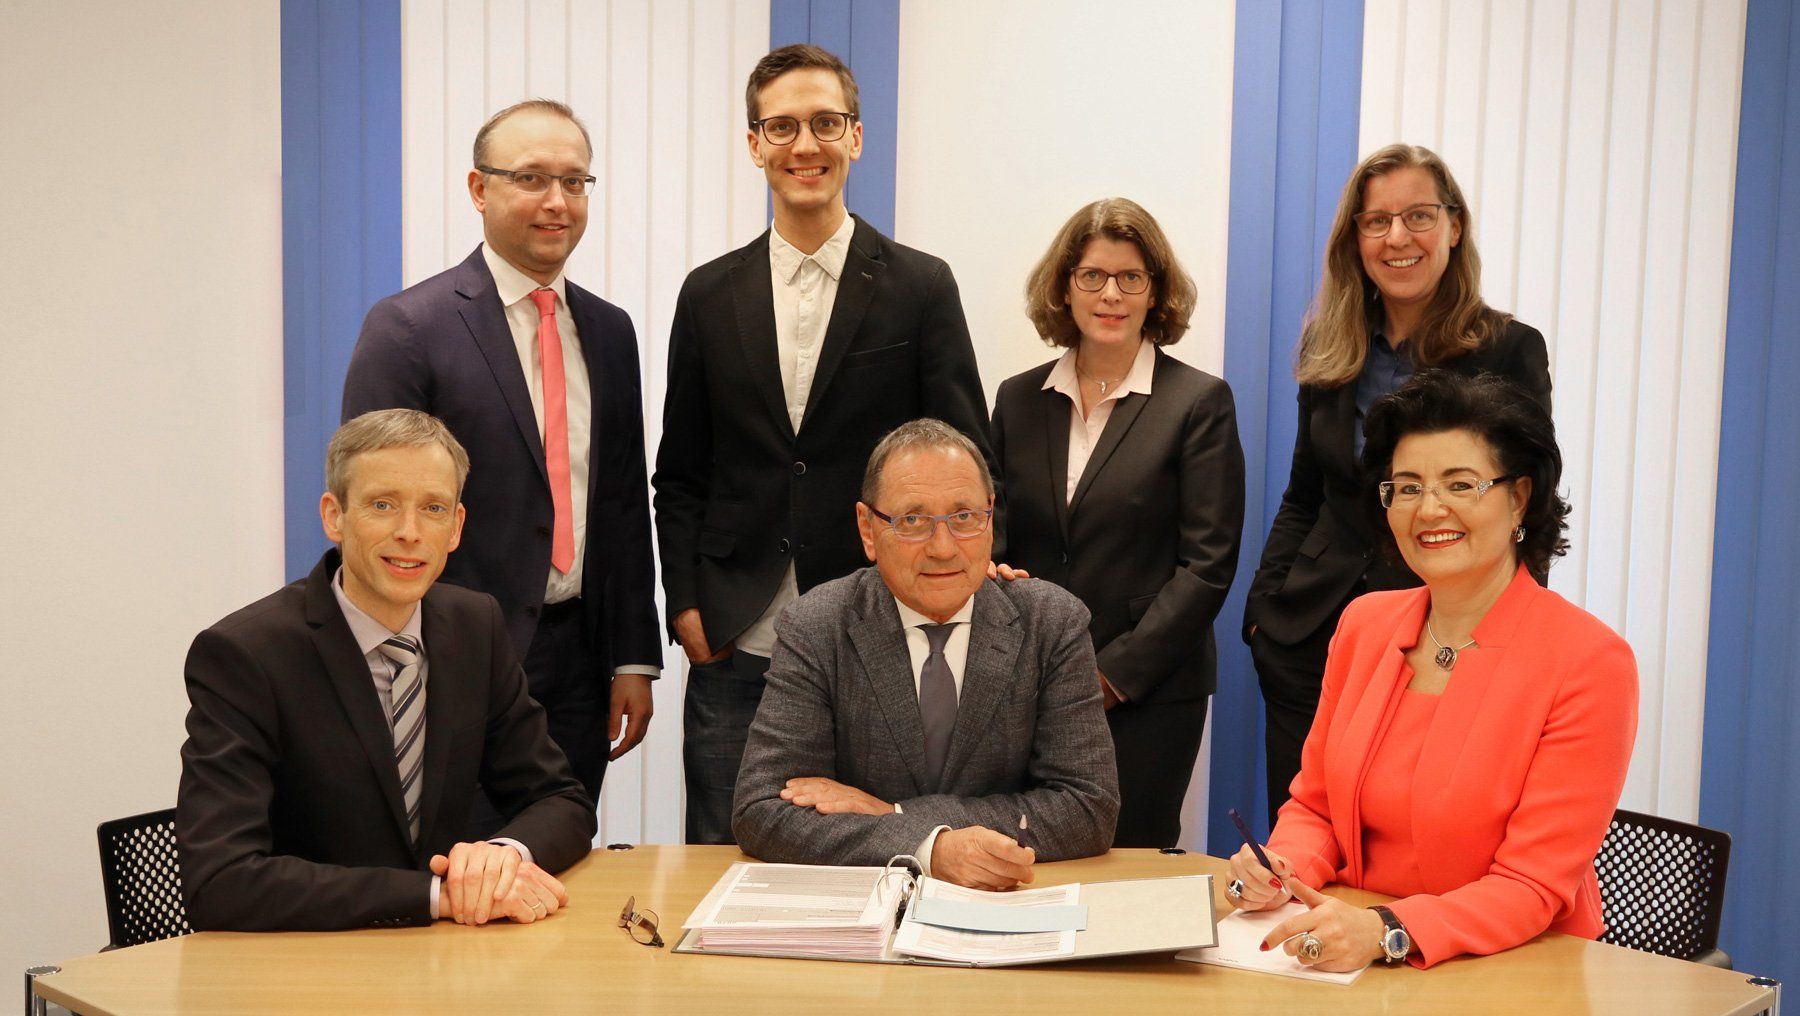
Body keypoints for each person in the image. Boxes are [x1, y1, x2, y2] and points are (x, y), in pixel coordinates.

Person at [655, 45, 992, 844]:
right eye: (782, 127)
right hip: (738, 640)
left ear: (856, 137)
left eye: (824, 124)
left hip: (878, 632)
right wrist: (688, 603)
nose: (804, 145)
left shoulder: (920, 285)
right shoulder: (708, 294)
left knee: (870, 854)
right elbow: (681, 472)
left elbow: (966, 455)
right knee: (725, 852)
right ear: (754, 144)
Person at [1225, 370, 1636, 971]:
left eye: (1460, 484)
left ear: (1519, 496)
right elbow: (1316, 808)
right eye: (1407, 487)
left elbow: (1532, 885)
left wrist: (1388, 930)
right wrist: (1282, 869)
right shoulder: (1365, 624)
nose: (1429, 509)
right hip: (1352, 957)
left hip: (1510, 969)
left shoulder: (1589, 662)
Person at [343, 100, 661, 817]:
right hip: (448, 662)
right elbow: (374, 511)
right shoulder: (408, 330)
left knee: (560, 859)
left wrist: (631, 657)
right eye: (532, 179)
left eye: (576, 182)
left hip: (580, 663)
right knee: (462, 873)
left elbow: (619, 503)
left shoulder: (611, 333)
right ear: (479, 189)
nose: (558, 202)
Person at [178, 410, 597, 932]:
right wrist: (435, 895)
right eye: (383, 505)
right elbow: (220, 882)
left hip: (444, 966)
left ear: (456, 528)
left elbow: (560, 799)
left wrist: (503, 854)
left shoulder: (474, 627)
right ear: (334, 516)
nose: (409, 533)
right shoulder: (245, 655)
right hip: (303, 970)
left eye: (433, 509)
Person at [1244, 143, 1553, 820]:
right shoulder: (1330, 345)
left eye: (1418, 215)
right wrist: (1264, 612)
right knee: (1301, 839)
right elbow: (1304, 495)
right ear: (1354, 240)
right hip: (1309, 637)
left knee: (1408, 835)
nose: (1397, 238)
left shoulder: (1507, 349)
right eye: (1376, 221)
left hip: (1440, 638)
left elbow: (1529, 502)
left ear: (1454, 226)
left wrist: (1511, 638)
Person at [731, 420, 1118, 888]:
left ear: (990, 518)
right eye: (913, 520)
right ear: (868, 529)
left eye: (964, 517)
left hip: (1012, 902)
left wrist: (899, 818)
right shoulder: (817, 625)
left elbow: (1087, 808)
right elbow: (762, 809)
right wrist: (927, 849)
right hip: (862, 913)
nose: (943, 548)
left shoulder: (1052, 623)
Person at [990, 199, 1243, 848]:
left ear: (1155, 291)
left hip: (1149, 689)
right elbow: (995, 526)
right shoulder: (1017, 400)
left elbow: (1208, 565)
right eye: (1093, 276)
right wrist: (988, 565)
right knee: (1033, 856)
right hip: (1032, 682)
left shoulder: (1198, 402)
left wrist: (1112, 675)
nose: (1111, 294)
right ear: (1063, 286)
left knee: (1130, 865)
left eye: (1132, 277)